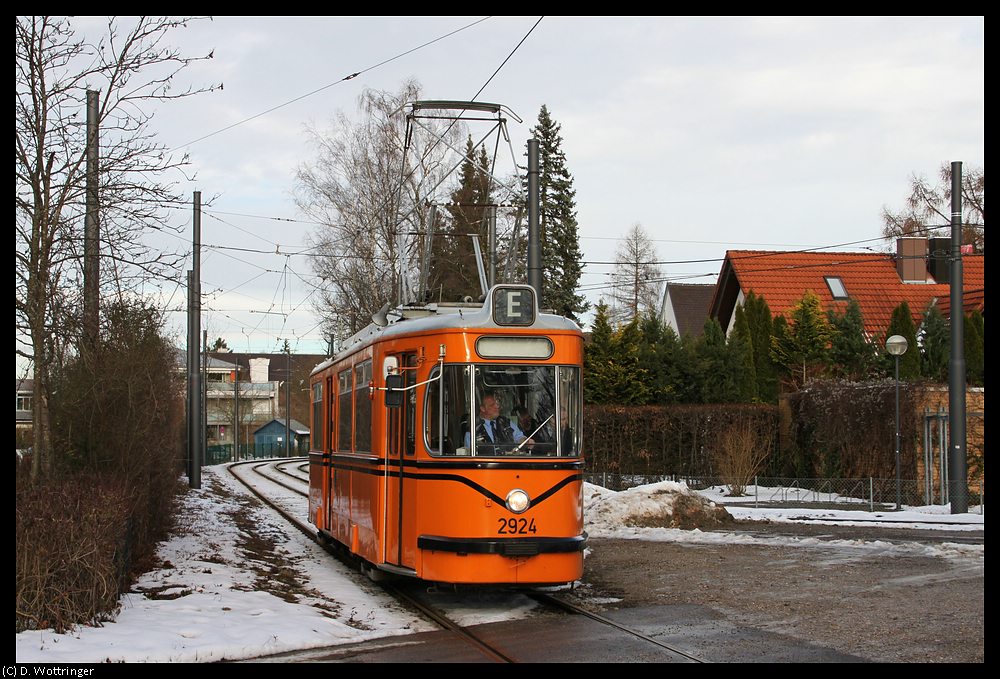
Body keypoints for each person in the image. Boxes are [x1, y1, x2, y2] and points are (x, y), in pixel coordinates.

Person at [464, 393, 532, 453]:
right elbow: (469, 453)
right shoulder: (473, 429)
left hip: (509, 464)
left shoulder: (506, 422)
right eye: (492, 405)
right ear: (482, 408)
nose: (497, 407)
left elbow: (520, 437)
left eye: (497, 404)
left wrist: (526, 442)